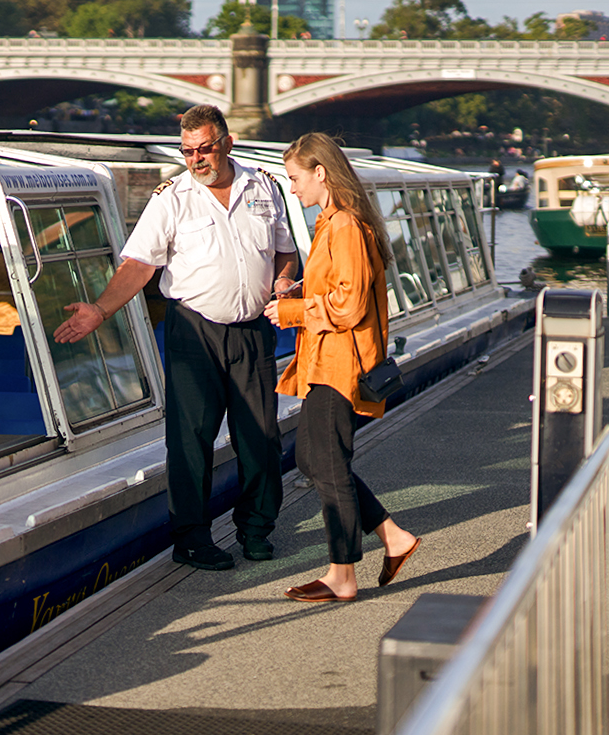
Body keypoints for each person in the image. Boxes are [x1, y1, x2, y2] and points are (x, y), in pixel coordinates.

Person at [53, 104, 298, 570]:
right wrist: (101, 310)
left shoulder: (263, 187)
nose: (196, 159)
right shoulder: (172, 198)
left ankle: (257, 530)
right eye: (187, 151)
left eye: (204, 149)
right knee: (191, 440)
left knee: (260, 438)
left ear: (227, 143)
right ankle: (191, 539)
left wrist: (285, 282)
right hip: (194, 331)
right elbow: (139, 265)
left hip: (252, 333)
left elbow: (286, 253)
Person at [265, 132, 420, 603]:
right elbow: (338, 290)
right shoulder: (331, 223)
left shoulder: (346, 226)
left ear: (321, 173)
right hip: (323, 363)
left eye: (295, 179)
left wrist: (292, 313)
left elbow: (349, 306)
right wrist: (300, 291)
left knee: (326, 462)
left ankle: (343, 575)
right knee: (314, 459)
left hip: (341, 365)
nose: (293, 189)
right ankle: (393, 537)